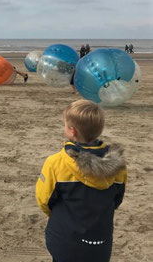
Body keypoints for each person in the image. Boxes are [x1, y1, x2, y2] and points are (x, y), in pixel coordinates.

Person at [36, 100, 126, 262]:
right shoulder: (118, 166)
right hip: (100, 242)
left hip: (64, 240)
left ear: (72, 131)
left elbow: (44, 200)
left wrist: (57, 214)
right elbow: (117, 200)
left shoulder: (56, 163)